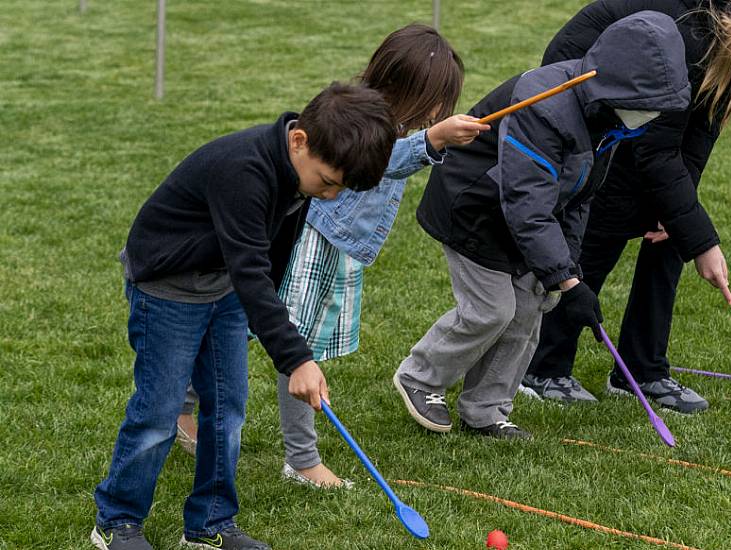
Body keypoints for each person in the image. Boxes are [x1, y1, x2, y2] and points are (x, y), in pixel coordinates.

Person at [173, 25, 487, 489]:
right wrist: (433, 139)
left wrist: (431, 136)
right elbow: (387, 160)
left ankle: (179, 405)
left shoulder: (386, 120)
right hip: (318, 240)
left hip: (330, 242)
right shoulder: (367, 123)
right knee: (295, 348)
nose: (438, 111)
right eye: (435, 99)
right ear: (406, 85)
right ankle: (300, 459)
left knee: (256, 330)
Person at [91, 84, 396, 550]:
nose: (330, 196)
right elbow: (249, 267)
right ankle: (117, 519)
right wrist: (296, 358)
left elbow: (272, 253)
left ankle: (210, 524)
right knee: (158, 410)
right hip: (168, 287)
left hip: (224, 285)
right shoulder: (244, 170)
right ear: (299, 141)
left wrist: (266, 313)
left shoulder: (300, 172)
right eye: (328, 182)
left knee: (228, 411)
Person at [521, 0, 731, 410]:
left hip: (646, 95)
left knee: (674, 223)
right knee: (611, 210)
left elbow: (701, 126)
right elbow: (655, 152)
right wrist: (704, 243)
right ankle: (544, 365)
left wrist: (683, 219)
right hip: (588, 84)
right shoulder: (697, 35)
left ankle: (642, 368)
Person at [393, 11, 691, 440]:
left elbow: (579, 197)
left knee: (532, 306)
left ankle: (486, 409)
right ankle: (420, 377)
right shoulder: (546, 108)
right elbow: (525, 203)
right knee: (491, 309)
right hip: (475, 207)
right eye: (649, 105)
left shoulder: (606, 120)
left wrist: (566, 269)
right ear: (622, 89)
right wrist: (568, 284)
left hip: (526, 216)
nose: (652, 115)